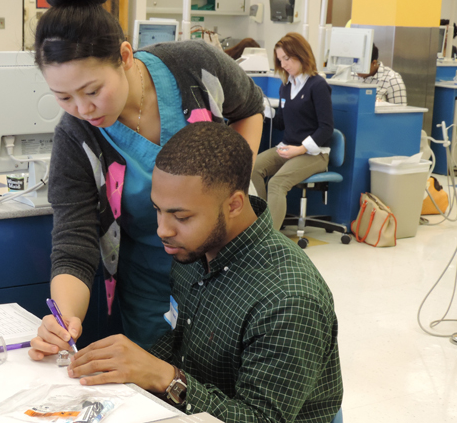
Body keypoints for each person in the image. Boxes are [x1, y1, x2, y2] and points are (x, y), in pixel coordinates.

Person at [28, 0, 264, 356]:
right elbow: (74, 240)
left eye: (92, 91)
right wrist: (64, 319)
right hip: (150, 284)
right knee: (161, 390)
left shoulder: (193, 66)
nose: (83, 109)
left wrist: (232, 178)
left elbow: (250, 107)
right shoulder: (76, 136)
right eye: (63, 97)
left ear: (124, 56)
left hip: (232, 267)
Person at [62, 122, 343, 423]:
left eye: (181, 216)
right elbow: (180, 341)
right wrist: (127, 364)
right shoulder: (196, 250)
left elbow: (262, 419)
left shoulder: (288, 300)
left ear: (234, 204)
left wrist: (168, 379)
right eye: (158, 209)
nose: (162, 230)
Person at [251, 32, 334, 230]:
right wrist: (264, 110)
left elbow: (326, 128)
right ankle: (261, 223)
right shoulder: (286, 87)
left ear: (301, 54)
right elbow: (282, 122)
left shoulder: (318, 85)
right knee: (251, 169)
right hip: (288, 148)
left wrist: (300, 149)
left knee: (277, 183)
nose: (283, 64)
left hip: (314, 153)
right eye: (280, 60)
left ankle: (269, 239)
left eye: (287, 59)